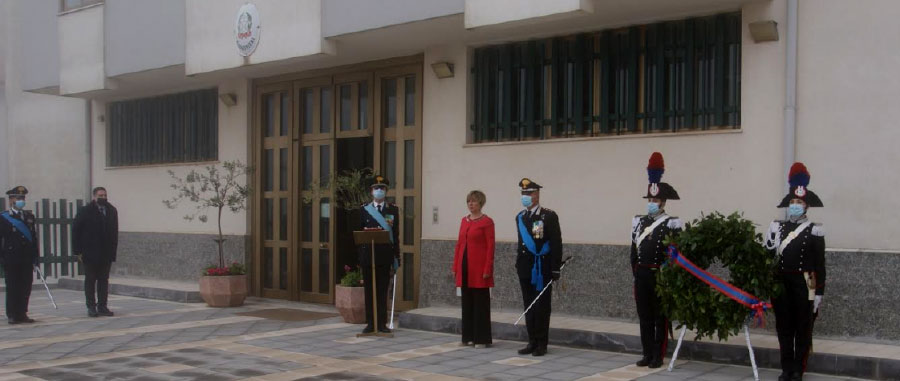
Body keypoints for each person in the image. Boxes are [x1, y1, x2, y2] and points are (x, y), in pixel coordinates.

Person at [765, 162, 826, 381]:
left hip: (804, 282)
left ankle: (799, 368)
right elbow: (769, 254)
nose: (794, 205)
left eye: (798, 202)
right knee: (784, 327)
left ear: (806, 205)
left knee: (802, 327)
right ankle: (786, 367)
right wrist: (770, 237)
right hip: (782, 282)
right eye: (792, 201)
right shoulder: (778, 227)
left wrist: (818, 292)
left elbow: (820, 264)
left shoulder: (814, 229)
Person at [630, 152, 682, 368]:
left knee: (660, 317)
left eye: (656, 200)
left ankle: (658, 356)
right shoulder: (638, 222)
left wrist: (666, 274)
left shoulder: (672, 223)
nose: (652, 203)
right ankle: (646, 353)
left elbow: (675, 253)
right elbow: (634, 249)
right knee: (645, 317)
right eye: (650, 199)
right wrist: (636, 271)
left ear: (663, 202)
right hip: (642, 274)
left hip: (659, 275)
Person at [515, 178, 562, 357]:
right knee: (528, 305)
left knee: (541, 305)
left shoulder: (548, 216)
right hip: (526, 268)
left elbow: (556, 243)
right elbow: (522, 244)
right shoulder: (520, 217)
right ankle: (531, 341)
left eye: (529, 193)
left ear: (537, 195)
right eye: (523, 193)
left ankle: (542, 343)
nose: (526, 196)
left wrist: (555, 268)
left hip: (542, 268)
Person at [452, 190, 495, 348]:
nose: (471, 204)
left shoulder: (487, 222)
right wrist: (455, 265)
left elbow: (491, 247)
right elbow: (459, 244)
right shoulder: (464, 221)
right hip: (464, 267)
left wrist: (487, 268)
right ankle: (467, 337)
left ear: (480, 203)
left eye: (474, 201)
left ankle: (481, 338)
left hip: (479, 269)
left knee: (480, 304)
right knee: (467, 303)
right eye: (469, 201)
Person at [358, 175, 400, 334]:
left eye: (382, 188)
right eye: (376, 188)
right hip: (369, 256)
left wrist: (397, 258)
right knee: (369, 291)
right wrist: (360, 258)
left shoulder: (393, 209)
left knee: (382, 291)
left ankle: (381, 323)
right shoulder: (363, 209)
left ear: (386, 191)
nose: (379, 191)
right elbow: (358, 235)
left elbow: (395, 235)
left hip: (385, 256)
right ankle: (370, 323)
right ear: (371, 191)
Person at [73, 187, 119, 318]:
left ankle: (103, 306)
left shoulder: (111, 210)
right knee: (90, 280)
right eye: (100, 195)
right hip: (90, 252)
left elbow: (114, 233)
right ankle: (91, 307)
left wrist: (113, 251)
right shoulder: (85, 211)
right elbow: (76, 231)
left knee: (104, 280)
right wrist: (78, 251)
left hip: (106, 253)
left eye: (105, 195)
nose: (103, 198)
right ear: (94, 197)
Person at [0, 186, 39, 324]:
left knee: (25, 286)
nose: (21, 200)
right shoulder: (4, 217)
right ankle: (12, 314)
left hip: (26, 258)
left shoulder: (29, 216)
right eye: (18, 198)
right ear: (11, 200)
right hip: (11, 258)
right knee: (13, 287)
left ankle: (22, 313)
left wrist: (36, 256)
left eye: (23, 198)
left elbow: (33, 238)